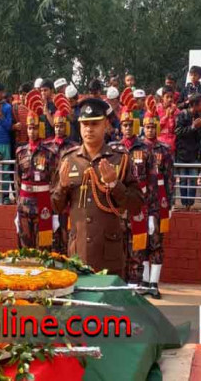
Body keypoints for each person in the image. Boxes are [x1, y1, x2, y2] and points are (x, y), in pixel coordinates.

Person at [52, 98, 142, 276]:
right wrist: (62, 187)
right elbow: (56, 206)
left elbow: (136, 204)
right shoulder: (69, 159)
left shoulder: (120, 159)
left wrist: (114, 184)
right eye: (85, 124)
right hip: (78, 253)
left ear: (106, 125)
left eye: (95, 124)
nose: (89, 129)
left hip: (109, 255)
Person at [113, 96, 156, 286]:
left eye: (130, 124)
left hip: (140, 207)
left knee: (138, 250)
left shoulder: (146, 150)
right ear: (120, 127)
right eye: (124, 124)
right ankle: (120, 285)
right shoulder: (114, 149)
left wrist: (153, 213)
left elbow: (153, 183)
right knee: (119, 249)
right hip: (120, 208)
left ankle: (136, 285)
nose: (128, 128)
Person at [14, 90, 57, 250]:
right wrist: (17, 206)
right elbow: (17, 181)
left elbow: (54, 181)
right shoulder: (21, 151)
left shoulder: (49, 152)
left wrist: (56, 213)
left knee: (44, 249)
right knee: (25, 248)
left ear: (40, 128)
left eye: (34, 128)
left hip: (43, 204)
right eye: (29, 128)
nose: (31, 131)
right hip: (24, 204)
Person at [141, 103, 174, 298]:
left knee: (157, 242)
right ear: (143, 127)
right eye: (147, 126)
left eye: (153, 126)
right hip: (142, 200)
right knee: (141, 240)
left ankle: (154, 283)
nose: (150, 130)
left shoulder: (165, 149)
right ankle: (144, 281)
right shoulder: (137, 148)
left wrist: (170, 203)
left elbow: (170, 177)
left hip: (159, 200)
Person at [44, 94, 78, 253]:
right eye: (56, 126)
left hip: (67, 197)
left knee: (66, 235)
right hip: (50, 195)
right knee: (49, 235)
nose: (58, 128)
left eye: (62, 126)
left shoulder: (74, 147)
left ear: (67, 127)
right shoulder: (46, 147)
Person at [175, 93, 201, 209]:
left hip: (194, 153)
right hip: (182, 153)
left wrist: (198, 128)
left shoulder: (200, 116)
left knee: (192, 180)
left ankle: (190, 205)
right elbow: (178, 131)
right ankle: (184, 204)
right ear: (194, 104)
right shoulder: (182, 115)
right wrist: (193, 127)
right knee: (182, 180)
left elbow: (200, 135)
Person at [12, 83, 32, 148]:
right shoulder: (15, 108)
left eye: (24, 94)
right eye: (20, 94)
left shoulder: (34, 108)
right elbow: (8, 125)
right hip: (18, 142)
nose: (22, 96)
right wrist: (14, 126)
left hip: (31, 141)